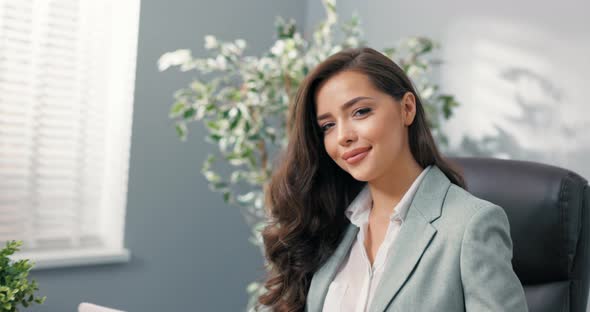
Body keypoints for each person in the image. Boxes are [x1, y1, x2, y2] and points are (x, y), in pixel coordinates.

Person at [256, 47, 528, 312]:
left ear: (407, 109)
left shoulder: (469, 225)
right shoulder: (330, 224)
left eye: (360, 112)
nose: (343, 136)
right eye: (328, 126)